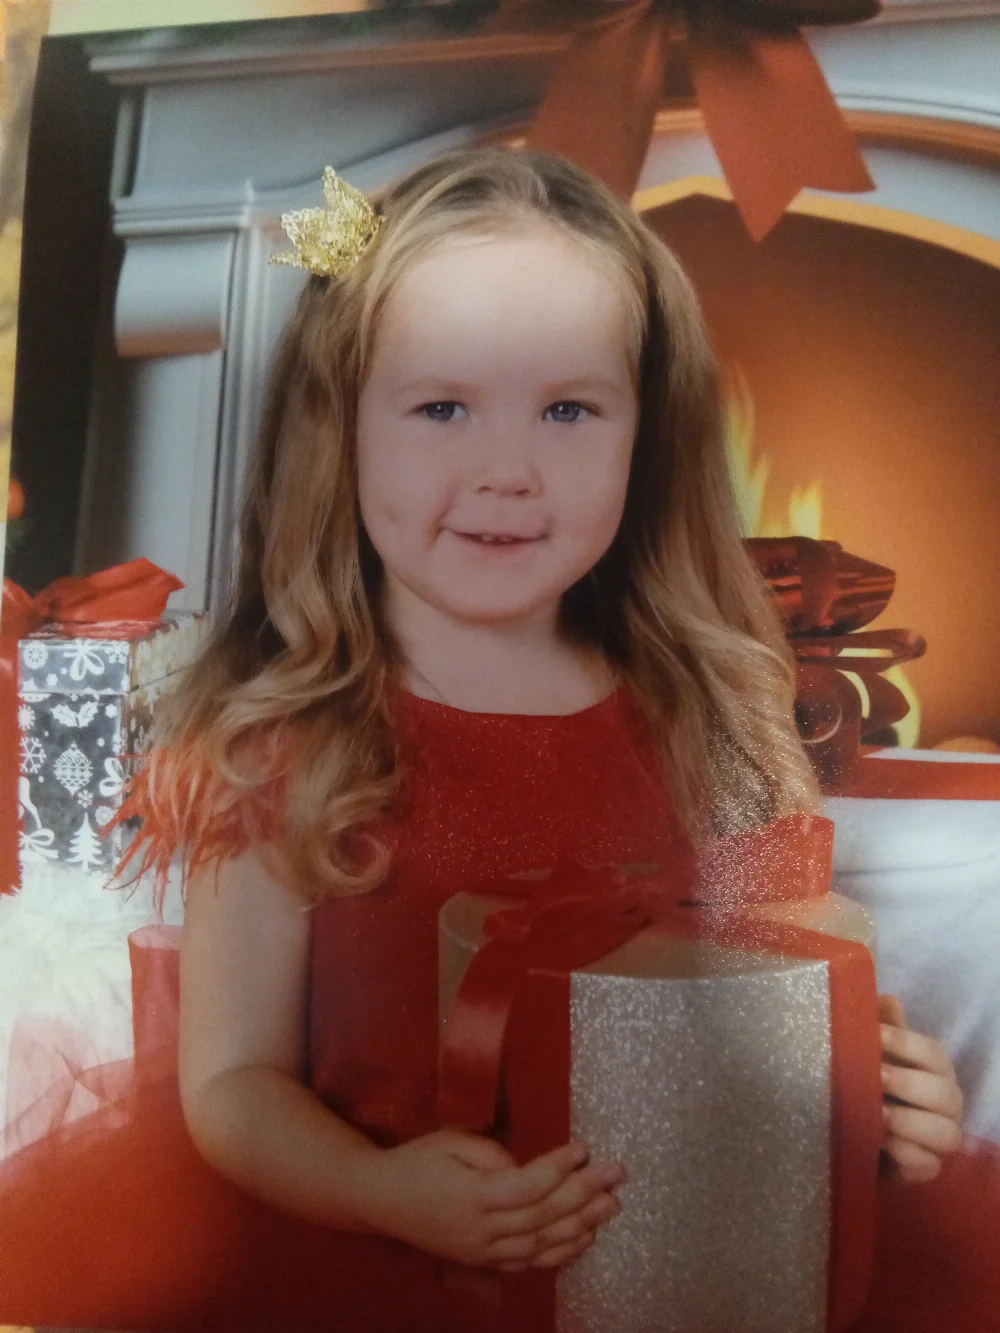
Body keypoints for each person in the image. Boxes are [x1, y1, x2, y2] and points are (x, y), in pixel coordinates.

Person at [0, 147, 974, 1332]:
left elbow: (776, 1006)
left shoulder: (711, 715)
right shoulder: (286, 740)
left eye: (567, 409)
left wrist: (877, 1101)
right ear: (339, 428)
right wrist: (378, 1190)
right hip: (389, 1262)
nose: (507, 471)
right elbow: (232, 1083)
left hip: (696, 1265)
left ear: (644, 435)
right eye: (441, 406)